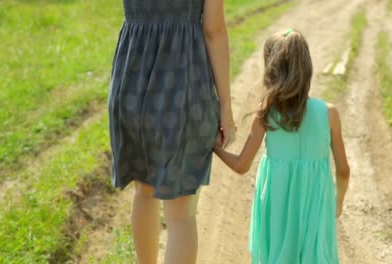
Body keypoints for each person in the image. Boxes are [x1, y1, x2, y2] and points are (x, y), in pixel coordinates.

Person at [107, 0, 236, 263]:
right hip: (182, 82)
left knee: (144, 192)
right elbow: (214, 30)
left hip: (131, 80)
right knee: (181, 214)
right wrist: (225, 105)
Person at [214, 28, 350, 263]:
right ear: (307, 69)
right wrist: (337, 201)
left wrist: (215, 148)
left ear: (271, 71)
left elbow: (241, 165)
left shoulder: (265, 115)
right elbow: (343, 170)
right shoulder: (329, 114)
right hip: (315, 207)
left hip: (277, 210)